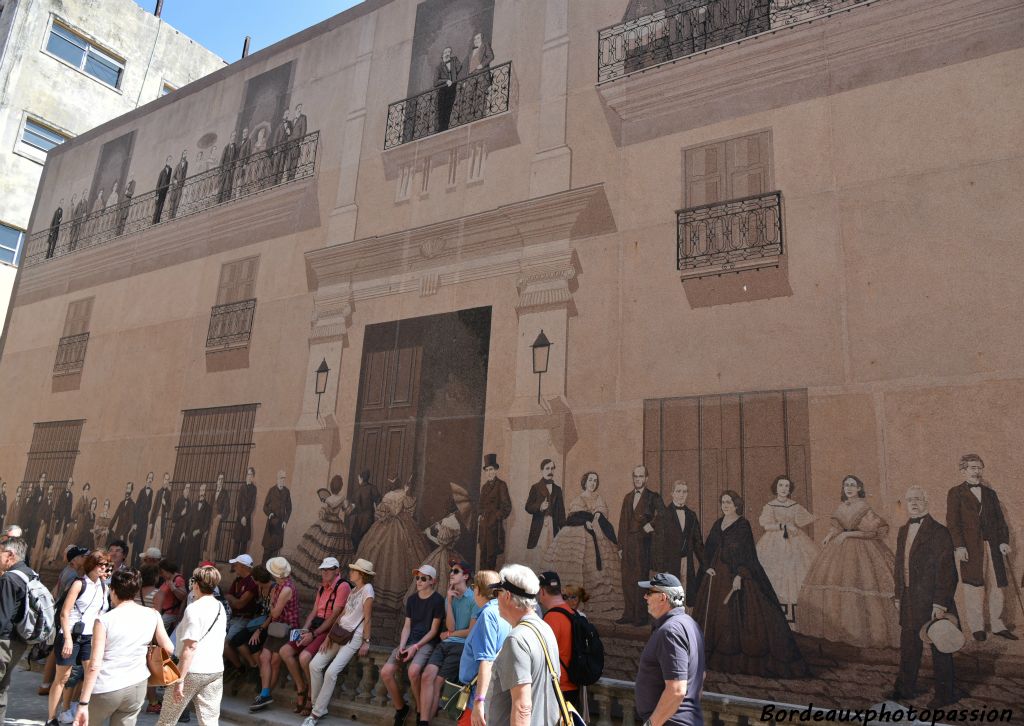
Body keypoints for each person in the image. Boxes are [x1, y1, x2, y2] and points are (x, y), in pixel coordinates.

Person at [691, 490, 809, 678]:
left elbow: (748, 555)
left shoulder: (743, 525)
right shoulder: (717, 524)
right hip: (716, 578)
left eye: (729, 502)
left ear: (737, 504)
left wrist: (740, 575)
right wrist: (706, 567)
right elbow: (709, 548)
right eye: (723, 502)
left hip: (737, 575)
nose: (725, 505)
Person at [796, 475, 899, 649]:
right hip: (838, 548)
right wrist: (830, 535)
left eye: (853, 485)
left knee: (862, 584)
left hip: (862, 548)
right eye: (846, 485)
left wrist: (847, 534)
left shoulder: (864, 506)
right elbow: (837, 526)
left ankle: (863, 636)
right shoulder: (842, 506)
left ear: (859, 488)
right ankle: (840, 634)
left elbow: (872, 532)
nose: (849, 488)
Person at [73, 569, 174, 726]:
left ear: (112, 591)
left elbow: (95, 664)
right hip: (137, 684)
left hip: (107, 685)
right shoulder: (153, 614)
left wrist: (83, 703)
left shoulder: (104, 620)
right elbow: (169, 648)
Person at [892, 486, 962, 708]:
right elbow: (898, 565)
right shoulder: (903, 530)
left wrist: (940, 603)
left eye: (918, 499)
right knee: (909, 645)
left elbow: (948, 570)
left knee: (939, 647)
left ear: (927, 501)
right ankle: (905, 688)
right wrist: (898, 594)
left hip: (933, 600)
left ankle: (946, 694)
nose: (913, 503)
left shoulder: (939, 531)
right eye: (909, 500)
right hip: (909, 598)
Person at [946, 454, 1016, 641]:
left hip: (993, 546)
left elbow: (1000, 522)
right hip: (971, 548)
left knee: (997, 587)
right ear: (963, 471)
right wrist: (959, 546)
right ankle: (977, 627)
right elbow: (952, 523)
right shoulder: (955, 493)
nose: (977, 472)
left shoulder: (990, 494)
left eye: (979, 468)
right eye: (972, 468)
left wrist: (1003, 541)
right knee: (973, 586)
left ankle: (998, 624)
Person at [485, 564, 561, 726]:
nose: (495, 598)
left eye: (497, 593)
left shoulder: (517, 640)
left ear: (507, 596)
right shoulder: (544, 628)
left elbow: (522, 707)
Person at [302, 558, 375, 726]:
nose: (351, 572)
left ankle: (315, 714)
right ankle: (317, 706)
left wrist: (366, 641)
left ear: (361, 574)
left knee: (331, 672)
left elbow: (368, 618)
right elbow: (342, 615)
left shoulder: (368, 590)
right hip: (339, 633)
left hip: (354, 637)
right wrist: (328, 636)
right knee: (315, 665)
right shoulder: (354, 589)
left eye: (354, 570)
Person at [544, 471, 622, 622]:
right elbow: (573, 517)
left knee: (598, 565)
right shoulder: (578, 499)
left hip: (597, 532)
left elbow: (602, 512)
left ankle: (595, 600)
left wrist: (597, 515)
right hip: (577, 533)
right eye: (590, 480)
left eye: (595, 480)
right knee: (576, 562)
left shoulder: (599, 498)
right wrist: (585, 520)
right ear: (585, 482)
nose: (592, 483)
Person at [155, 565, 228, 726]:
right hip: (215, 669)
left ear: (195, 584)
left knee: (167, 720)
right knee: (209, 721)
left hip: (192, 670)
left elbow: (190, 647)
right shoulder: (220, 607)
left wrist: (180, 679)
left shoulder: (194, 609)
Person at [48, 552, 112, 726]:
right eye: (102, 565)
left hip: (90, 636)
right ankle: (51, 718)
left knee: (91, 673)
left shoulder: (104, 587)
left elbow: (102, 614)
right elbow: (64, 613)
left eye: (107, 565)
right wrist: (68, 639)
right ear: (92, 565)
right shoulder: (79, 583)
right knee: (62, 677)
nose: (105, 568)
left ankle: (82, 713)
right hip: (70, 634)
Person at [280, 558, 348, 717]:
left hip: (328, 630)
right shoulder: (322, 587)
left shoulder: (342, 586)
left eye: (329, 569)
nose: (325, 572)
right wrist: (305, 629)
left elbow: (334, 617)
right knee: (285, 651)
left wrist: (314, 634)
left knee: (304, 658)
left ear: (337, 570)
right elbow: (314, 611)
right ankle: (301, 687)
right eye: (323, 570)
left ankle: (311, 696)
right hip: (315, 626)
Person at [635, 573, 706, 726]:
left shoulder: (670, 631)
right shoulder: (690, 625)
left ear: (663, 597)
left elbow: (676, 690)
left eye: (649, 592)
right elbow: (702, 676)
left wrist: (651, 724)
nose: (645, 597)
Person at [381, 564, 444, 726]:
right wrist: (402, 645)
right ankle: (401, 708)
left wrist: (416, 647)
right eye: (417, 578)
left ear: (433, 581)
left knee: (414, 671)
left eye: (424, 578)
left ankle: (420, 710)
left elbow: (434, 630)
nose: (419, 581)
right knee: (386, 672)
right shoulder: (412, 600)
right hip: (409, 641)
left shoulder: (438, 600)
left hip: (426, 643)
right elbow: (407, 626)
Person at [355, 476, 430, 611]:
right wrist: (406, 493)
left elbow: (380, 514)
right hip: (403, 525)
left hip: (387, 526)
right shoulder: (403, 494)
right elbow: (410, 511)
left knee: (379, 552)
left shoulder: (387, 496)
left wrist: (388, 514)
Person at [419, 559, 477, 724]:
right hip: (444, 645)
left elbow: (470, 633)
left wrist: (450, 633)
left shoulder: (474, 599)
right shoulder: (449, 597)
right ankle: (422, 720)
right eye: (451, 570)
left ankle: (426, 722)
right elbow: (450, 625)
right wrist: (449, 602)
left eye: (456, 571)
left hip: (460, 647)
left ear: (466, 576)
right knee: (426, 676)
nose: (451, 574)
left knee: (437, 682)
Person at [755, 475, 818, 625]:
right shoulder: (770, 506)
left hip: (795, 542)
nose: (784, 489)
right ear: (776, 488)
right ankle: (776, 616)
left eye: (786, 486)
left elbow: (804, 519)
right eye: (781, 486)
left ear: (790, 489)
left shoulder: (794, 505)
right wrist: (783, 526)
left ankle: (795, 617)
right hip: (773, 543)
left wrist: (818, 516)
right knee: (776, 575)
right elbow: (766, 525)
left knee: (796, 573)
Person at [456, 570, 509, 726]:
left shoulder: (488, 615)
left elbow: (486, 661)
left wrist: (479, 701)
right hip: (495, 694)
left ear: (478, 590)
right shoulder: (502, 611)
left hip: (480, 697)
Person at [248, 557, 300, 712]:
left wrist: (271, 604)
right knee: (265, 658)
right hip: (276, 628)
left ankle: (265, 695)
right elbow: (274, 613)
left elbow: (275, 612)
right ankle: (264, 694)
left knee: (275, 661)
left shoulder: (285, 589)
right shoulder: (279, 586)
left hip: (286, 629)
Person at [293, 475, 355, 590]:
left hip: (326, 524)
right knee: (335, 552)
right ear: (340, 487)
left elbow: (322, 512)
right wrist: (352, 506)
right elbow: (348, 511)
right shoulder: (342, 498)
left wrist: (325, 513)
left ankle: (325, 577)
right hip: (336, 525)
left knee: (321, 551)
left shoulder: (328, 499)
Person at [618, 465, 660, 626]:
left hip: (643, 544)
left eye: (641, 476)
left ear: (646, 478)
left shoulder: (652, 497)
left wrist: (652, 525)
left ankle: (640, 617)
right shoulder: (628, 497)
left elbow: (663, 514)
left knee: (640, 579)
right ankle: (628, 614)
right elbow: (622, 523)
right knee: (627, 579)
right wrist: (620, 546)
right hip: (628, 544)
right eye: (635, 476)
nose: (638, 479)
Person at [0, 532, 33, 724]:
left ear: (10, 555)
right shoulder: (29, 574)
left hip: (4, 641)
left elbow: (2, 618)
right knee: (3, 688)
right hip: (19, 642)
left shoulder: (9, 579)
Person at [537, 571, 581, 711]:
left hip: (557, 687)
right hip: (573, 684)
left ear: (542, 591)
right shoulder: (573, 613)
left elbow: (541, 655)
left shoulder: (551, 618)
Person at [525, 459, 566, 568]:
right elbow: (528, 507)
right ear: (542, 470)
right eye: (547, 468)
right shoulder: (535, 487)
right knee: (539, 556)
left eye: (552, 468)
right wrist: (540, 507)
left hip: (553, 526)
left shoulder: (557, 489)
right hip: (539, 525)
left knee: (551, 555)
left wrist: (564, 530)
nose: (550, 471)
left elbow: (561, 512)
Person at [477, 455, 511, 571]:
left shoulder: (501, 485)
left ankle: (489, 586)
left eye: (491, 469)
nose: (489, 472)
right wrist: (480, 515)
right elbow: (480, 506)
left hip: (494, 529)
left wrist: (496, 517)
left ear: (496, 470)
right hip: (483, 528)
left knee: (491, 559)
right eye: (487, 470)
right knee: (483, 557)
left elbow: (507, 507)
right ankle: (481, 586)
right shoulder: (484, 487)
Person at [223, 554, 258, 657]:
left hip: (244, 618)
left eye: (236, 565)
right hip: (233, 617)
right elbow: (229, 598)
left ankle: (240, 668)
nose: (234, 567)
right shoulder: (238, 580)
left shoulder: (252, 582)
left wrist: (232, 599)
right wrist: (233, 600)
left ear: (243, 566)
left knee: (224, 643)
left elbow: (239, 604)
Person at [261, 471, 292, 561]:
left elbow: (289, 509)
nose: (282, 480)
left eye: (284, 478)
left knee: (275, 553)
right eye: (281, 478)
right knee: (267, 551)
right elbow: (265, 506)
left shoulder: (286, 492)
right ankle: (263, 573)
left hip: (279, 527)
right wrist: (269, 513)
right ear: (277, 479)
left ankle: (270, 574)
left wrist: (285, 521)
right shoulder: (271, 490)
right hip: (271, 525)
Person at [348, 470, 378, 554]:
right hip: (370, 519)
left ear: (361, 478)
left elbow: (352, 508)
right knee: (367, 542)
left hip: (358, 521)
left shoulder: (357, 491)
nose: (358, 480)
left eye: (359, 478)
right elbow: (377, 504)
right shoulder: (373, 488)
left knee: (357, 542)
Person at [434, 47, 462, 132]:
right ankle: (440, 129)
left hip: (452, 89)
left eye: (449, 52)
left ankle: (445, 128)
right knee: (442, 110)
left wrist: (453, 60)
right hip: (443, 91)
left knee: (449, 109)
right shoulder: (438, 67)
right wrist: (446, 81)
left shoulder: (454, 62)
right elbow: (435, 82)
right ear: (442, 55)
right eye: (445, 52)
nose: (447, 53)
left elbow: (459, 67)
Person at [154, 560, 186, 633]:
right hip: (164, 612)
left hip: (171, 614)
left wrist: (173, 588)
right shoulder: (167, 579)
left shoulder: (178, 579)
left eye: (162, 572)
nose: (161, 575)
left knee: (158, 630)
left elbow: (183, 597)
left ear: (168, 570)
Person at [234, 467, 258, 556]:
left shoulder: (254, 489)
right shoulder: (242, 487)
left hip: (246, 520)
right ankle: (233, 566)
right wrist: (241, 517)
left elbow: (252, 505)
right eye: (248, 474)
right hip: (239, 519)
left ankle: (240, 566)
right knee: (236, 542)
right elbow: (238, 504)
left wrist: (245, 517)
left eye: (251, 474)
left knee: (244, 543)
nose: (249, 476)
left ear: (253, 477)